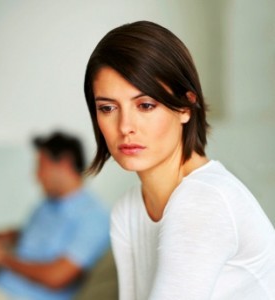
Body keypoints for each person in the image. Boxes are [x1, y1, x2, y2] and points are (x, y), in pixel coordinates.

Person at [83, 20, 275, 300]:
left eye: (145, 105)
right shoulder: (128, 210)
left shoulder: (204, 199)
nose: (125, 126)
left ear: (185, 106)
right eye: (108, 108)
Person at [0, 131, 110, 300]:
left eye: (41, 166)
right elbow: (32, 238)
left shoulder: (93, 217)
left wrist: (2, 258)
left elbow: (57, 278)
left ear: (65, 163)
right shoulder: (47, 204)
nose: (36, 176)